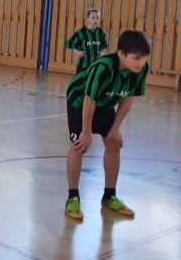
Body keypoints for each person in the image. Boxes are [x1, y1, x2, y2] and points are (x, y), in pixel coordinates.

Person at [65, 29, 151, 222]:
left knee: (113, 143)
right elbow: (89, 100)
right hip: (80, 100)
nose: (141, 62)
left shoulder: (140, 70)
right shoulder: (103, 67)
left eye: (144, 58)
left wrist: (114, 128)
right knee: (78, 146)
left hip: (105, 102)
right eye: (136, 58)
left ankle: (109, 197)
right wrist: (86, 132)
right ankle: (72, 198)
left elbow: (128, 98)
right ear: (121, 54)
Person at [65, 8, 108, 74]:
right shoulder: (81, 32)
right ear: (87, 19)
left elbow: (104, 44)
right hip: (83, 65)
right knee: (81, 80)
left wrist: (102, 53)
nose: (95, 20)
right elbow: (70, 42)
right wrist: (77, 52)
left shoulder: (101, 32)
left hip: (96, 64)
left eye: (97, 18)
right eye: (93, 18)